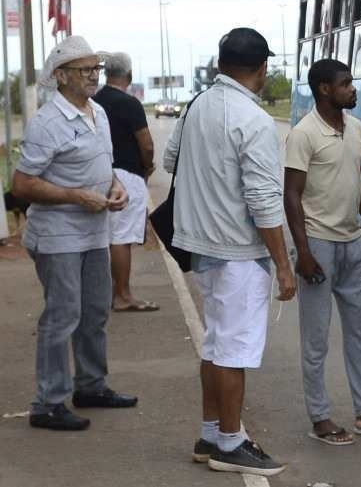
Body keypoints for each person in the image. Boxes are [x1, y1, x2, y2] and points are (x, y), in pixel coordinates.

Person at [164, 27, 296, 477]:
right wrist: (283, 265)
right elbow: (262, 199)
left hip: (200, 246)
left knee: (216, 343)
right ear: (262, 69)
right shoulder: (253, 120)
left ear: (221, 64)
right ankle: (231, 442)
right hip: (239, 251)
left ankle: (210, 434)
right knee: (234, 350)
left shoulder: (195, 106)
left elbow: (170, 162)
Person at [13, 36, 135, 431]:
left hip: (95, 233)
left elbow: (104, 165)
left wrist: (114, 186)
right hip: (58, 236)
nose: (93, 77)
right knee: (62, 316)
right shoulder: (48, 122)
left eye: (96, 69)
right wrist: (74, 197)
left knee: (95, 313)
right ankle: (47, 403)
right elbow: (22, 184)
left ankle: (91, 386)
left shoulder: (97, 111)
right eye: (85, 70)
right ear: (61, 76)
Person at [284, 59, 361, 446]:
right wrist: (303, 253)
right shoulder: (304, 134)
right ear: (324, 89)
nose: (353, 89)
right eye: (346, 83)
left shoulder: (354, 127)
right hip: (318, 246)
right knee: (316, 338)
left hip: (353, 244)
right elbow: (291, 195)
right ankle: (319, 417)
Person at [92, 52, 158, 313]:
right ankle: (122, 295)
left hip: (100, 174)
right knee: (121, 238)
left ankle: (109, 293)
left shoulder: (94, 101)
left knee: (105, 236)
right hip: (127, 177)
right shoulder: (130, 104)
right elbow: (147, 144)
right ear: (129, 76)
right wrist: (148, 165)